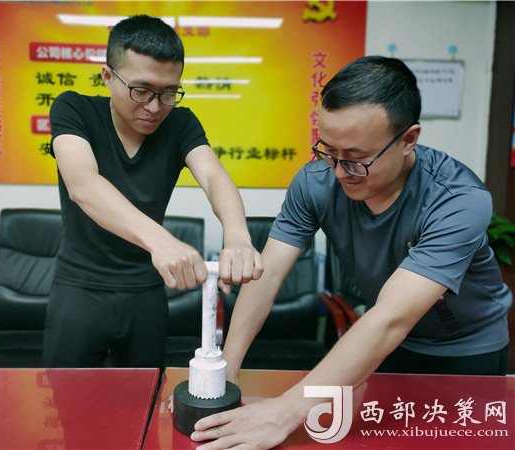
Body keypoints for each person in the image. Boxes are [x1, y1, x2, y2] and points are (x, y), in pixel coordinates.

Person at [190, 56, 512, 449]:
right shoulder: (316, 182)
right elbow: (268, 274)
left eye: (357, 158)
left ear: (409, 139)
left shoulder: (457, 201)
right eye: (328, 150)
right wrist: (226, 374)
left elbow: (390, 318)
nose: (340, 171)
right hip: (384, 347)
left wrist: (284, 412)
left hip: (465, 350)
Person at [43, 15, 263, 369]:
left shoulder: (180, 123)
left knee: (146, 394)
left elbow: (213, 177)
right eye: (141, 90)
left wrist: (238, 237)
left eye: (168, 93)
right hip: (79, 289)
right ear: (108, 76)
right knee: (69, 395)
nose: (155, 107)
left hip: (146, 291)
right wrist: (161, 241)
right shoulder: (74, 109)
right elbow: (83, 184)